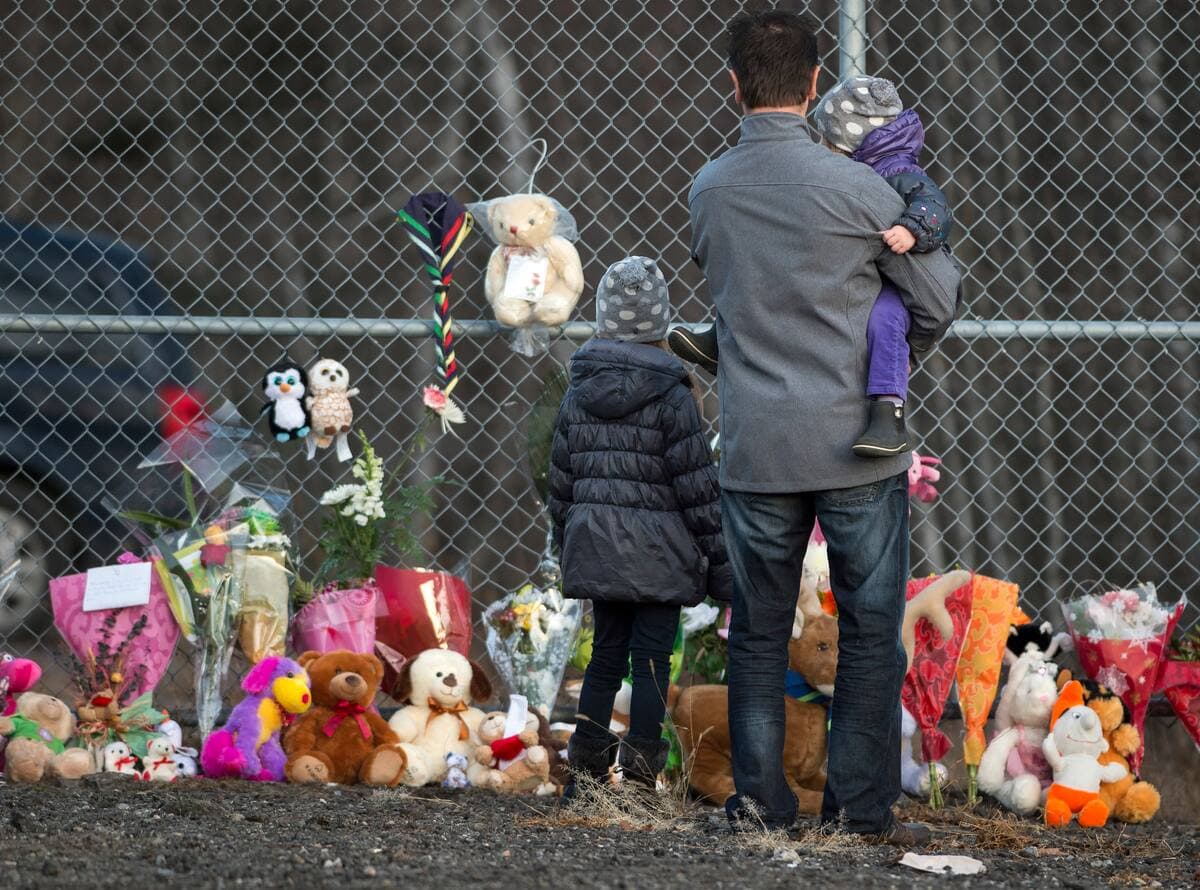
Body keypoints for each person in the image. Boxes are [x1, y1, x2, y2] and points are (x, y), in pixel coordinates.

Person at [687, 11, 960, 843]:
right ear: (814, 85)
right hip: (857, 443)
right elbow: (938, 300)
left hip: (757, 441)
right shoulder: (862, 190)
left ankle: (759, 805)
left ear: (733, 84)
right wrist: (883, 339)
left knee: (759, 631)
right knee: (873, 629)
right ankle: (859, 813)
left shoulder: (710, 187)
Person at [672, 75, 954, 458]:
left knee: (884, 321)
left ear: (854, 141)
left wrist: (913, 228)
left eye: (829, 142)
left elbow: (933, 205)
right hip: (865, 268)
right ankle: (720, 337)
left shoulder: (898, 172)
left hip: (899, 276)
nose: (822, 148)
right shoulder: (857, 170)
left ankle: (888, 412)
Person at [548, 256, 734, 797]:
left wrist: (569, 540)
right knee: (652, 662)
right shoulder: (675, 394)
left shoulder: (578, 389)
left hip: (598, 548)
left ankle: (583, 780)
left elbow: (562, 479)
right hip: (661, 555)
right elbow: (697, 488)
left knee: (605, 653)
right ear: (660, 322)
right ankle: (637, 782)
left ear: (603, 316)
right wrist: (719, 565)